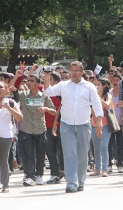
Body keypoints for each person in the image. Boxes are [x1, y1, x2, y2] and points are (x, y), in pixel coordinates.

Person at [43, 61, 103, 193]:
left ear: (82, 72)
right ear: (69, 72)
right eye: (72, 71)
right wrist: (47, 76)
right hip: (66, 125)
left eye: (77, 71)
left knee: (82, 155)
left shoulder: (89, 87)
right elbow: (48, 91)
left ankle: (80, 181)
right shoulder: (63, 85)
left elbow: (97, 105)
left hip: (83, 124)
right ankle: (71, 183)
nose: (74, 73)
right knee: (69, 154)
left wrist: (98, 124)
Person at [10, 66, 56, 187]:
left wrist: (46, 109)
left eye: (31, 81)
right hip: (26, 130)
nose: (28, 83)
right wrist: (16, 76)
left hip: (41, 129)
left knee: (40, 154)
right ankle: (30, 176)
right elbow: (10, 89)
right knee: (29, 154)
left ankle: (40, 175)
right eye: (27, 81)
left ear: (37, 83)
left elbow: (54, 111)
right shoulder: (24, 95)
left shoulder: (44, 96)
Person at [90, 78, 113, 177]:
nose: (96, 86)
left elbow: (107, 105)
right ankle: (97, 168)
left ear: (103, 86)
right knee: (96, 147)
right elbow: (91, 110)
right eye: (95, 84)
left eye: (98, 84)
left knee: (104, 146)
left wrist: (97, 98)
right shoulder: (91, 96)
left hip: (106, 125)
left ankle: (105, 169)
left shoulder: (108, 96)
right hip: (94, 124)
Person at [45, 72, 64, 184]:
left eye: (50, 79)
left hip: (60, 126)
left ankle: (64, 171)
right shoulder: (44, 94)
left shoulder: (61, 95)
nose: (47, 81)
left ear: (56, 83)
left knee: (62, 151)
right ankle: (54, 173)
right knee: (50, 151)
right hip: (47, 126)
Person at [108, 73, 123, 173]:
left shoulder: (122, 93)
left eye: (117, 80)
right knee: (110, 143)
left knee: (120, 144)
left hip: (120, 121)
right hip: (111, 121)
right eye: (113, 80)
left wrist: (121, 118)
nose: (115, 82)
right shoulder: (109, 93)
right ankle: (109, 164)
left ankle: (120, 164)